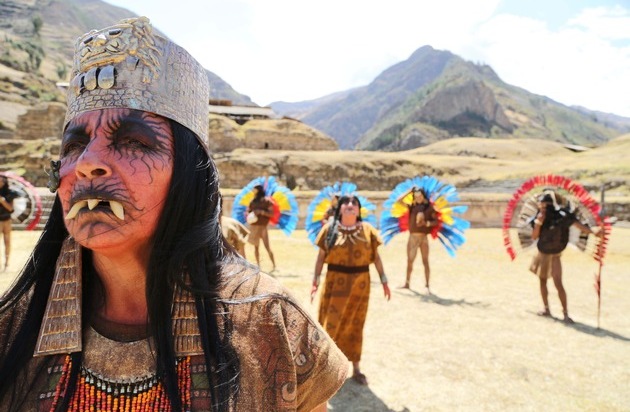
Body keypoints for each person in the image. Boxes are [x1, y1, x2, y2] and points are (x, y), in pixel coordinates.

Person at [0, 17, 348, 411]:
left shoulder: (271, 324)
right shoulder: (11, 329)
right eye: (74, 145)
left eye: (133, 141)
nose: (87, 163)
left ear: (187, 175)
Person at [311, 195, 391, 386]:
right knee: (330, 325)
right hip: (334, 285)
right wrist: (315, 280)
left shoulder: (368, 231)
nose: (350, 205)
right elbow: (321, 257)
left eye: (354, 203)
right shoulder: (329, 229)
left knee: (356, 325)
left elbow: (376, 258)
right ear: (339, 208)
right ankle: (327, 368)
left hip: (359, 288)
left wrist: (384, 281)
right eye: (346, 202)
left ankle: (355, 368)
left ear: (358, 209)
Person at [530, 190, 603, 323]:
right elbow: (534, 236)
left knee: (558, 283)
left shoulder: (562, 217)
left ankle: (565, 313)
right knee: (543, 281)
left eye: (545, 205)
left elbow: (579, 226)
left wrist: (594, 232)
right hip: (543, 253)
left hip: (555, 254)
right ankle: (546, 309)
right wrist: (538, 223)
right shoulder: (539, 218)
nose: (543, 208)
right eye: (542, 205)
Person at [400, 187, 438, 292]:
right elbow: (399, 201)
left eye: (420, 195)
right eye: (416, 196)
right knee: (410, 261)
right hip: (413, 237)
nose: (418, 198)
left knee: (425, 261)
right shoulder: (412, 207)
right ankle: (407, 283)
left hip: (424, 238)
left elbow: (436, 221)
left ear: (423, 196)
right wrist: (409, 191)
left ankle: (427, 285)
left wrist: (427, 223)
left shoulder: (429, 207)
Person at [246, 184, 276, 270]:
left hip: (263, 227)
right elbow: (248, 212)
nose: (253, 191)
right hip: (254, 227)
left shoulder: (267, 201)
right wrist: (252, 214)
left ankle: (274, 265)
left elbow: (271, 214)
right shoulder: (252, 202)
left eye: (255, 190)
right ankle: (258, 266)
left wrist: (261, 212)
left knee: (267, 246)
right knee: (256, 247)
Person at [0, 175, 17, 271]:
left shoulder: (9, 193)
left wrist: (3, 201)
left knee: (7, 242)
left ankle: (7, 263)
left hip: (7, 220)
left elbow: (11, 209)